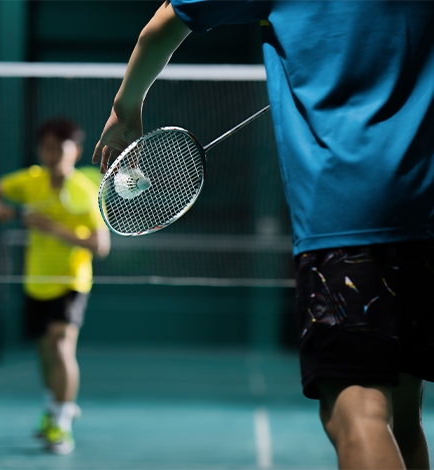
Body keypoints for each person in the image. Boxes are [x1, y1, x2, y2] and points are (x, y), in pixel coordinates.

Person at [92, 1, 434, 469]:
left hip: (347, 212)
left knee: (357, 413)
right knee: (404, 416)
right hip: (425, 213)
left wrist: (125, 108)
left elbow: (162, 26)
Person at [0, 117, 110, 455]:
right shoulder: (30, 181)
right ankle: (56, 407)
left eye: (59, 148)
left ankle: (61, 425)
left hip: (71, 280)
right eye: (46, 147)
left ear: (75, 150)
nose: (51, 154)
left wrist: (53, 229)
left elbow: (100, 246)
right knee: (45, 351)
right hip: (36, 280)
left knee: (61, 344)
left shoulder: (86, 189)